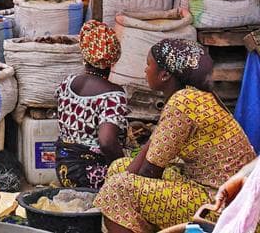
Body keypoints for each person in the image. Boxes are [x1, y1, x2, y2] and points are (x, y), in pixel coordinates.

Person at [96, 39, 257, 233]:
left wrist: (122, 190)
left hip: (220, 204)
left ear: (164, 75)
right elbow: (150, 154)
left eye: (148, 65)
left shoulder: (183, 102)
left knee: (117, 189)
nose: (145, 71)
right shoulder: (193, 96)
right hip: (218, 193)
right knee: (118, 168)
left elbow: (149, 171)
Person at [55, 20, 129, 189]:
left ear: (85, 54)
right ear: (114, 57)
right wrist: (122, 169)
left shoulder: (67, 83)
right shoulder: (113, 95)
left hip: (64, 166)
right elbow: (107, 142)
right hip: (92, 174)